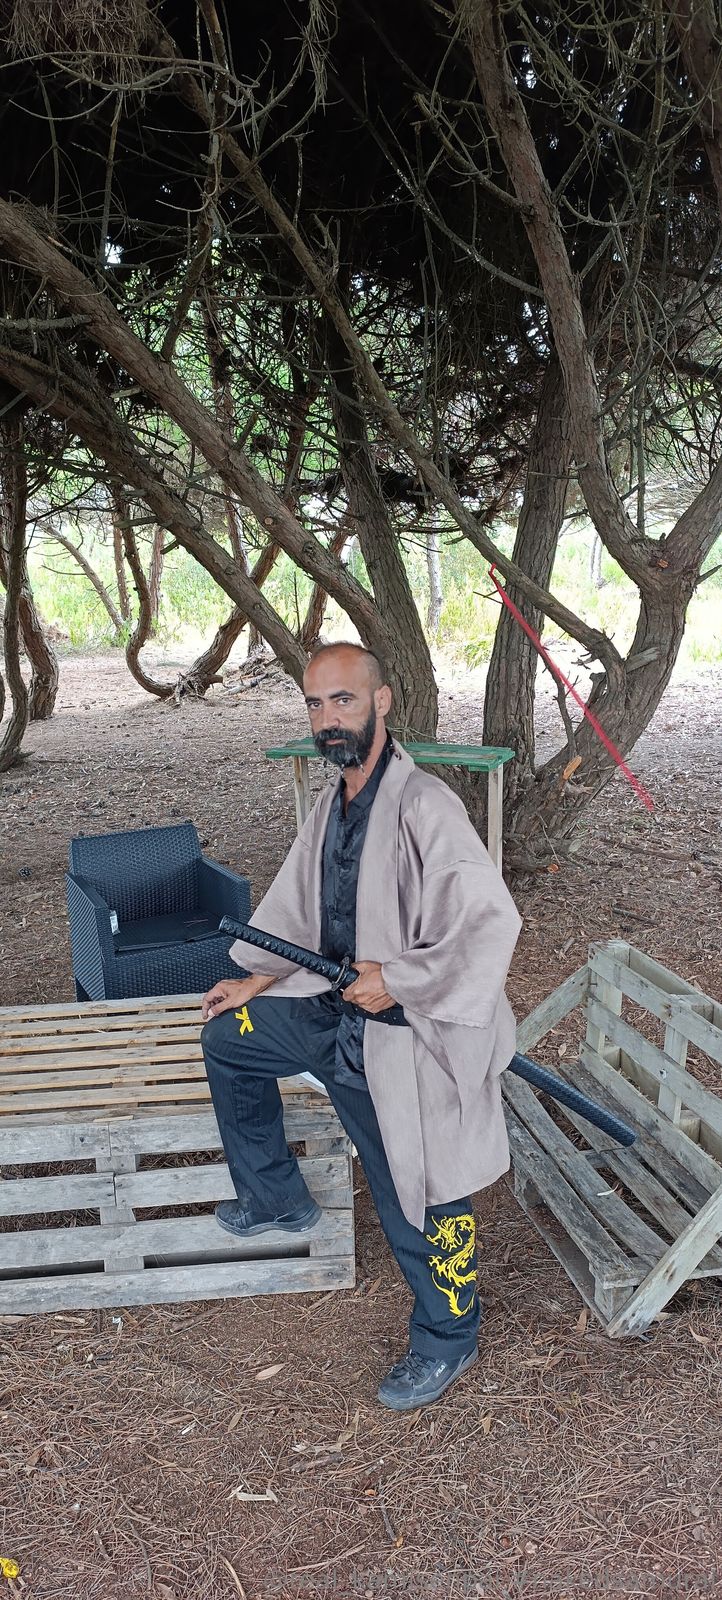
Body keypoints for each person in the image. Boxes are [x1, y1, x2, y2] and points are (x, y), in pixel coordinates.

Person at [201, 643, 521, 1411]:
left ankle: (449, 1334)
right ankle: (276, 1196)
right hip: (330, 1009)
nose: (327, 719)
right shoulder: (334, 804)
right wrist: (257, 979)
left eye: (342, 700)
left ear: (381, 702)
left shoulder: (425, 808)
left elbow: (489, 921)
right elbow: (297, 908)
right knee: (228, 1039)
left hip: (407, 1033)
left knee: (419, 1184)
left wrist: (398, 978)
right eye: (315, 704)